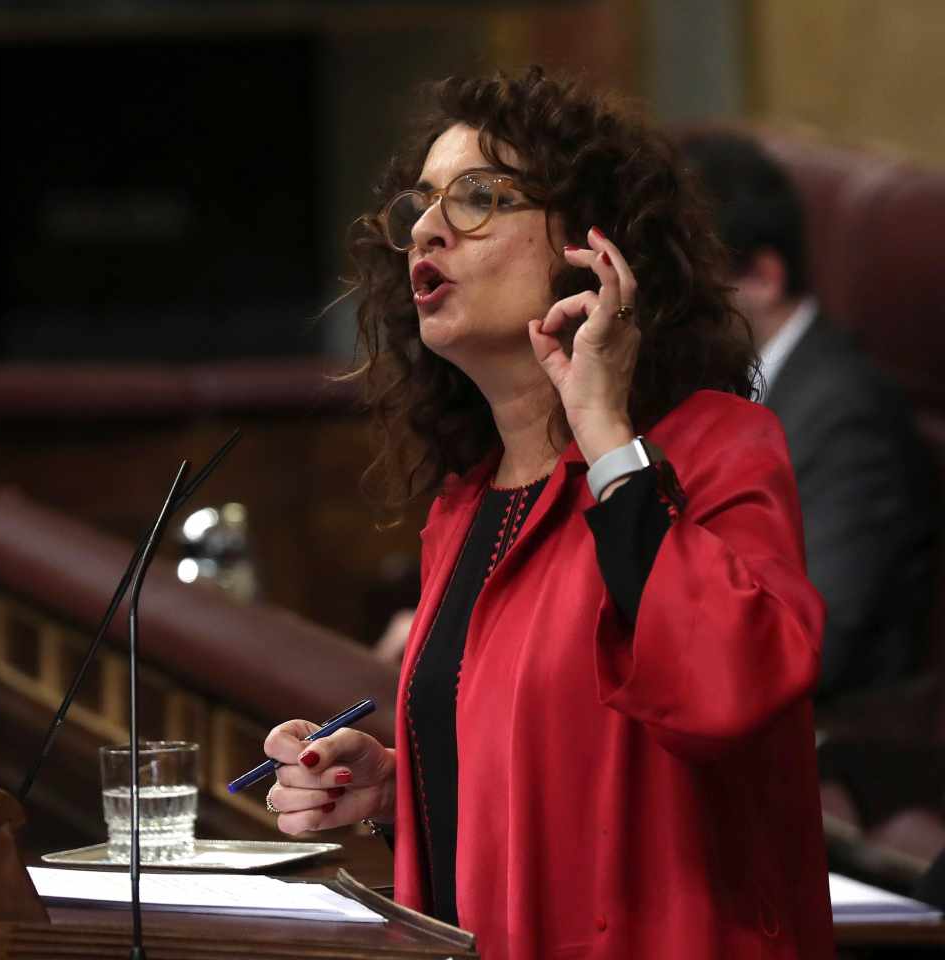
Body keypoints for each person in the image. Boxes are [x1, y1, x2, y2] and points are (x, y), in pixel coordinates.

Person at [261, 67, 833, 958]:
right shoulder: (466, 501)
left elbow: (728, 691)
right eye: (421, 204)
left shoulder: (718, 447)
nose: (426, 227)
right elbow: (555, 776)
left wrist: (605, 435)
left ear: (592, 245)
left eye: (479, 197)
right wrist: (395, 791)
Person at [678, 130, 940, 705]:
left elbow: (816, 644)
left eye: (685, 284)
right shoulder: (707, 388)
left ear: (763, 278)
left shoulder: (846, 419)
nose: (659, 308)